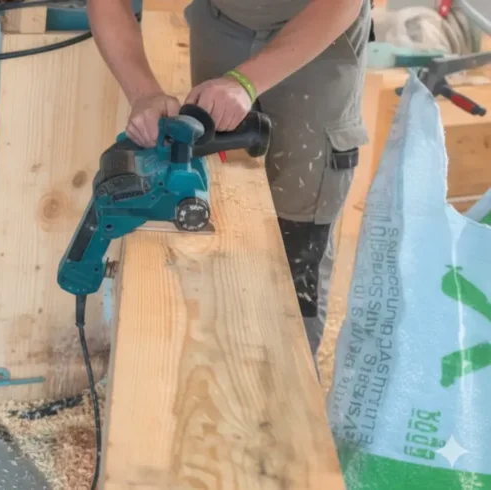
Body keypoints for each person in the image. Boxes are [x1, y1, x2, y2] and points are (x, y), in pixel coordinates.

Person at [87, 0, 374, 357]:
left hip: (316, 29)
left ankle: (290, 387)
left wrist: (245, 81)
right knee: (216, 198)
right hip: (223, 21)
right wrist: (143, 93)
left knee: (295, 241)